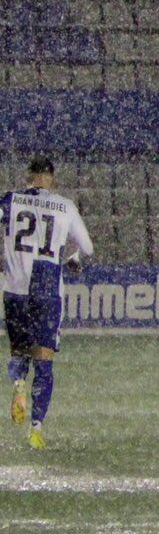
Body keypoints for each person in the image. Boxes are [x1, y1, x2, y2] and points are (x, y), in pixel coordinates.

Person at [4, 156, 93, 450]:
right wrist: (73, 258)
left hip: (15, 289)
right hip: (47, 287)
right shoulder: (64, 205)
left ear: (29, 176)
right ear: (52, 178)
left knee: (19, 350)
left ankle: (17, 384)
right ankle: (36, 428)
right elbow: (87, 246)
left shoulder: (10, 200)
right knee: (44, 359)